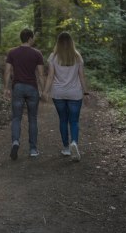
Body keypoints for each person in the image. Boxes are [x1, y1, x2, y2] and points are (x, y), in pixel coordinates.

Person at [43, 31, 89, 162]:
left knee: (63, 120)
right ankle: (74, 142)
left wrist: (45, 91)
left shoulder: (53, 56)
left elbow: (50, 76)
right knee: (74, 121)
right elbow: (81, 76)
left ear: (58, 42)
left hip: (58, 93)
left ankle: (66, 148)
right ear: (71, 42)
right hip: (75, 93)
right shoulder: (77, 56)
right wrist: (85, 93)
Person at [3, 28, 44, 160]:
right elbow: (41, 74)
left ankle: (15, 141)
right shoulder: (37, 54)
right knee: (32, 119)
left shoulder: (12, 52)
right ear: (30, 38)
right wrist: (43, 90)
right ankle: (33, 149)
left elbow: (7, 71)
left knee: (16, 118)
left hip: (18, 87)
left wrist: (6, 88)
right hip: (32, 88)